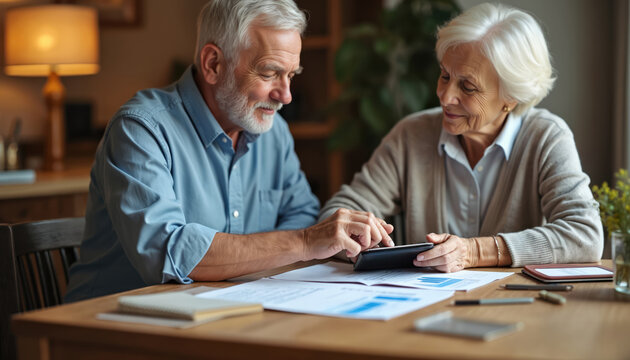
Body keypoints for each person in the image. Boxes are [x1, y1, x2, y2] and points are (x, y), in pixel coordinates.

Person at [65, 0, 393, 302]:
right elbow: (170, 253)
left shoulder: (273, 132)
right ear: (213, 64)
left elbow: (301, 217)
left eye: (290, 75)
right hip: (111, 329)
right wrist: (304, 242)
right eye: (269, 73)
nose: (286, 95)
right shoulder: (141, 128)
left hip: (226, 316)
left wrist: (321, 238)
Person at [319, 3, 603, 272]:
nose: (445, 96)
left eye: (467, 86)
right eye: (444, 76)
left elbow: (584, 235)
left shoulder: (546, 137)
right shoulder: (411, 135)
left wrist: (474, 252)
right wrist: (355, 236)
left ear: (511, 98)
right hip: (420, 307)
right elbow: (336, 215)